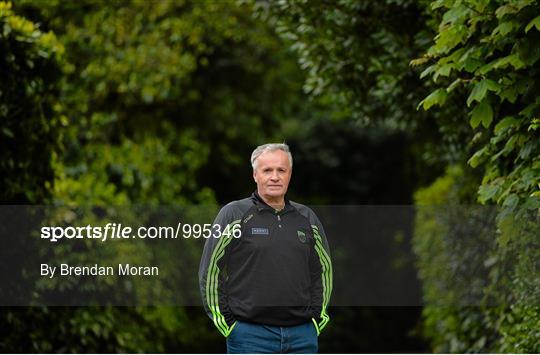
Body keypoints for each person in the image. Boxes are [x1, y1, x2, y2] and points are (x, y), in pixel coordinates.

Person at [199, 143, 332, 354]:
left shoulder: (307, 218)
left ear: (290, 174)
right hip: (250, 337)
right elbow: (211, 271)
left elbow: (322, 272)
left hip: (302, 338)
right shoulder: (234, 214)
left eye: (281, 170)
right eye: (267, 170)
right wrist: (229, 325)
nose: (275, 177)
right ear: (255, 175)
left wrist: (317, 320)